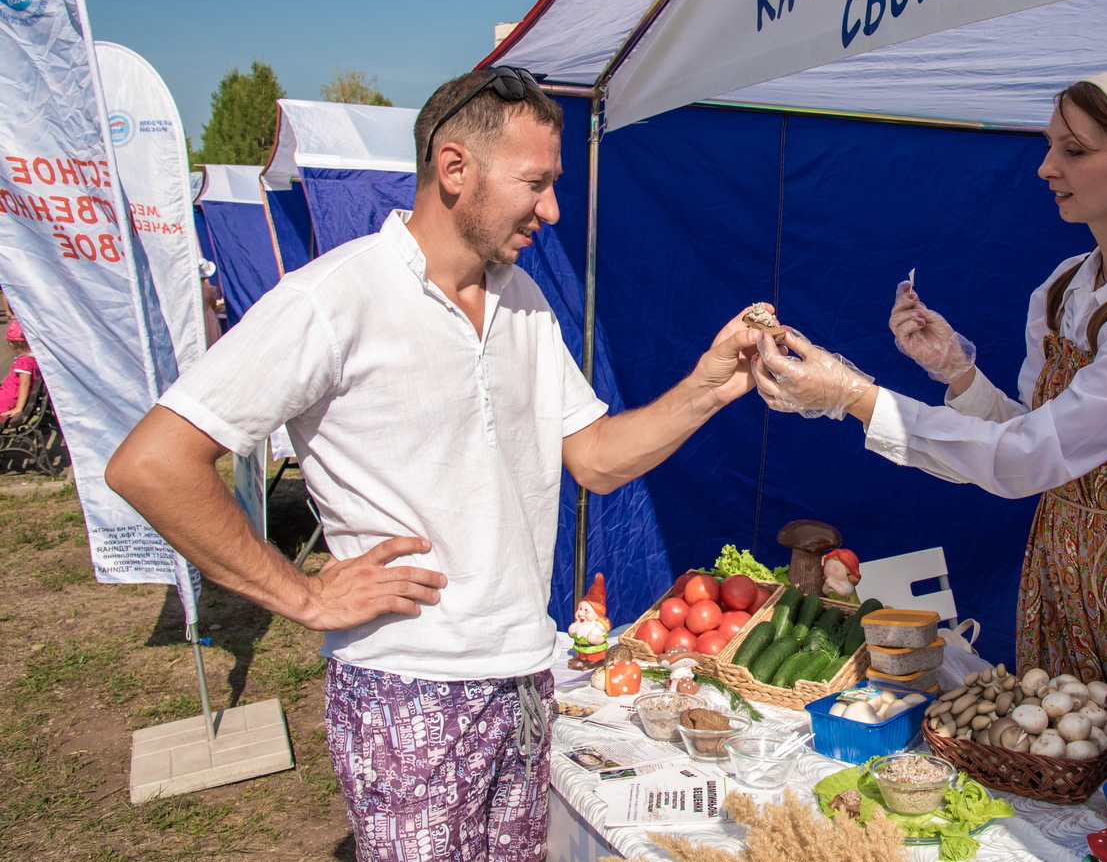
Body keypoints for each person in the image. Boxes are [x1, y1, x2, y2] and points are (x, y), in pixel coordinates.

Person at [106, 67, 763, 862]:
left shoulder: (523, 300)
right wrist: (301, 594)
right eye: (537, 183)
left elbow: (594, 460)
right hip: (406, 689)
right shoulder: (335, 298)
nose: (552, 210)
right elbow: (152, 463)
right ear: (455, 169)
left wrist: (707, 388)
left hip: (526, 675)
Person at [751, 69, 1107, 791]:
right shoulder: (1063, 287)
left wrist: (854, 395)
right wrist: (959, 375)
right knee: (1065, 768)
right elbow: (1042, 435)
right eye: (1049, 147)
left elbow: (1027, 460)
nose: (1046, 167)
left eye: (1074, 150)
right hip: (1069, 564)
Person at [0, 320, 40, 425]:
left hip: (8, 398)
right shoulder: (33, 359)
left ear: (11, 344)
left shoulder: (24, 361)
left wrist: (19, 407)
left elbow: (24, 384)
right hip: (9, 394)